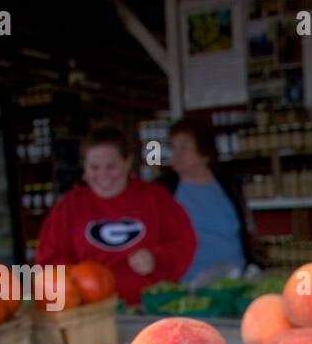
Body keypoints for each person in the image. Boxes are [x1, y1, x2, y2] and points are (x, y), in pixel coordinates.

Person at [36, 125, 196, 307]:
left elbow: (185, 242)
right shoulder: (68, 208)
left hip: (151, 309)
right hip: (92, 313)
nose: (103, 175)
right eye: (94, 167)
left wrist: (156, 259)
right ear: (84, 168)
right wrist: (76, 281)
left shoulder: (155, 198)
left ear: (127, 162)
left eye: (111, 166)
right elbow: (48, 262)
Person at [160, 119, 262, 284]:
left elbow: (246, 230)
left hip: (236, 283)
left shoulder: (229, 186)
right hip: (188, 286)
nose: (176, 155)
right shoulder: (165, 189)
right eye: (173, 148)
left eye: (183, 148)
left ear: (204, 153)